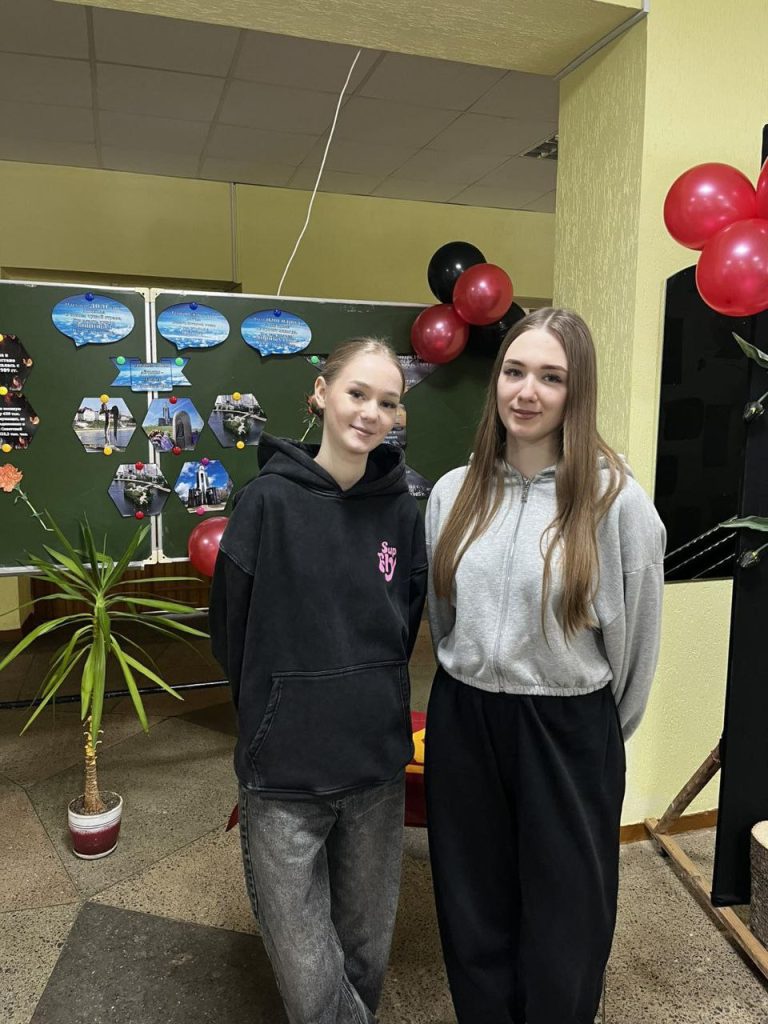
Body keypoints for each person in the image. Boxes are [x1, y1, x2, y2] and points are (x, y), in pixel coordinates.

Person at [424, 307, 666, 1024]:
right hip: (466, 717)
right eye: (514, 371)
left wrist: (591, 730)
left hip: (568, 728)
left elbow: (635, 649)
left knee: (567, 923)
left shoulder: (618, 505)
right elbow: (444, 617)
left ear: (576, 391)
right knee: (471, 909)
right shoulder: (451, 493)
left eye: (551, 378)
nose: (526, 392)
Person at [209, 337, 427, 1024]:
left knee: (364, 954)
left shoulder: (402, 511)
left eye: (387, 401)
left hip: (374, 768)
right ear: (322, 394)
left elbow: (404, 624)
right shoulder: (265, 503)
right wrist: (280, 707)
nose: (370, 412)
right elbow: (230, 633)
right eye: (357, 393)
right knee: (308, 977)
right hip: (284, 774)